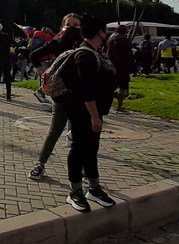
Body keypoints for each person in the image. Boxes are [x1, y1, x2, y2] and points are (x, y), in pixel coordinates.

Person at [62, 15, 117, 212]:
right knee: (78, 149)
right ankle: (75, 191)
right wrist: (94, 116)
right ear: (99, 33)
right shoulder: (84, 54)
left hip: (95, 111)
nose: (107, 34)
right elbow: (86, 89)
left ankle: (93, 188)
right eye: (105, 31)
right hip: (82, 111)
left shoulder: (96, 52)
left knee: (91, 149)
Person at [28, 24, 83, 181]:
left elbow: (33, 55)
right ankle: (85, 170)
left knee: (55, 131)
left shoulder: (56, 43)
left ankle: (40, 164)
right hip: (77, 94)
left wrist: (43, 73)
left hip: (59, 92)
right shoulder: (81, 48)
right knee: (79, 132)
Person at [29, 13, 82, 104]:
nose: (72, 28)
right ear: (62, 27)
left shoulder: (85, 42)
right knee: (59, 115)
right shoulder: (56, 42)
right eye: (68, 25)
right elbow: (33, 55)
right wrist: (43, 72)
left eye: (76, 25)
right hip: (61, 88)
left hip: (80, 87)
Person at [106, 25, 134, 112]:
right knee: (122, 87)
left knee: (112, 87)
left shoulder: (110, 38)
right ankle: (119, 106)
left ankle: (108, 105)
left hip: (111, 66)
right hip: (122, 67)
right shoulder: (123, 40)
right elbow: (127, 55)